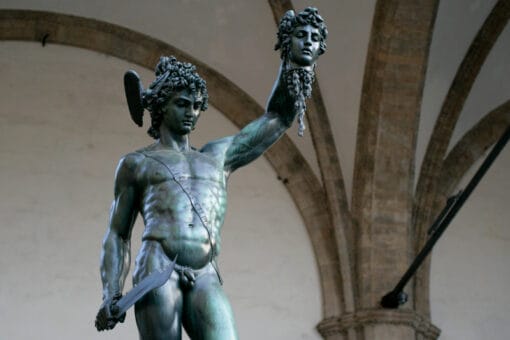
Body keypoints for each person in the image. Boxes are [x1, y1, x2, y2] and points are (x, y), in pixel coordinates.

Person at [96, 7, 327, 340]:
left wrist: (296, 61)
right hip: (158, 267)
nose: (191, 111)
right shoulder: (137, 163)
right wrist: (111, 291)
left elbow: (276, 118)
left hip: (205, 269)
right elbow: (117, 234)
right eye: (182, 103)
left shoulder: (217, 157)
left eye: (196, 104)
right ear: (161, 105)